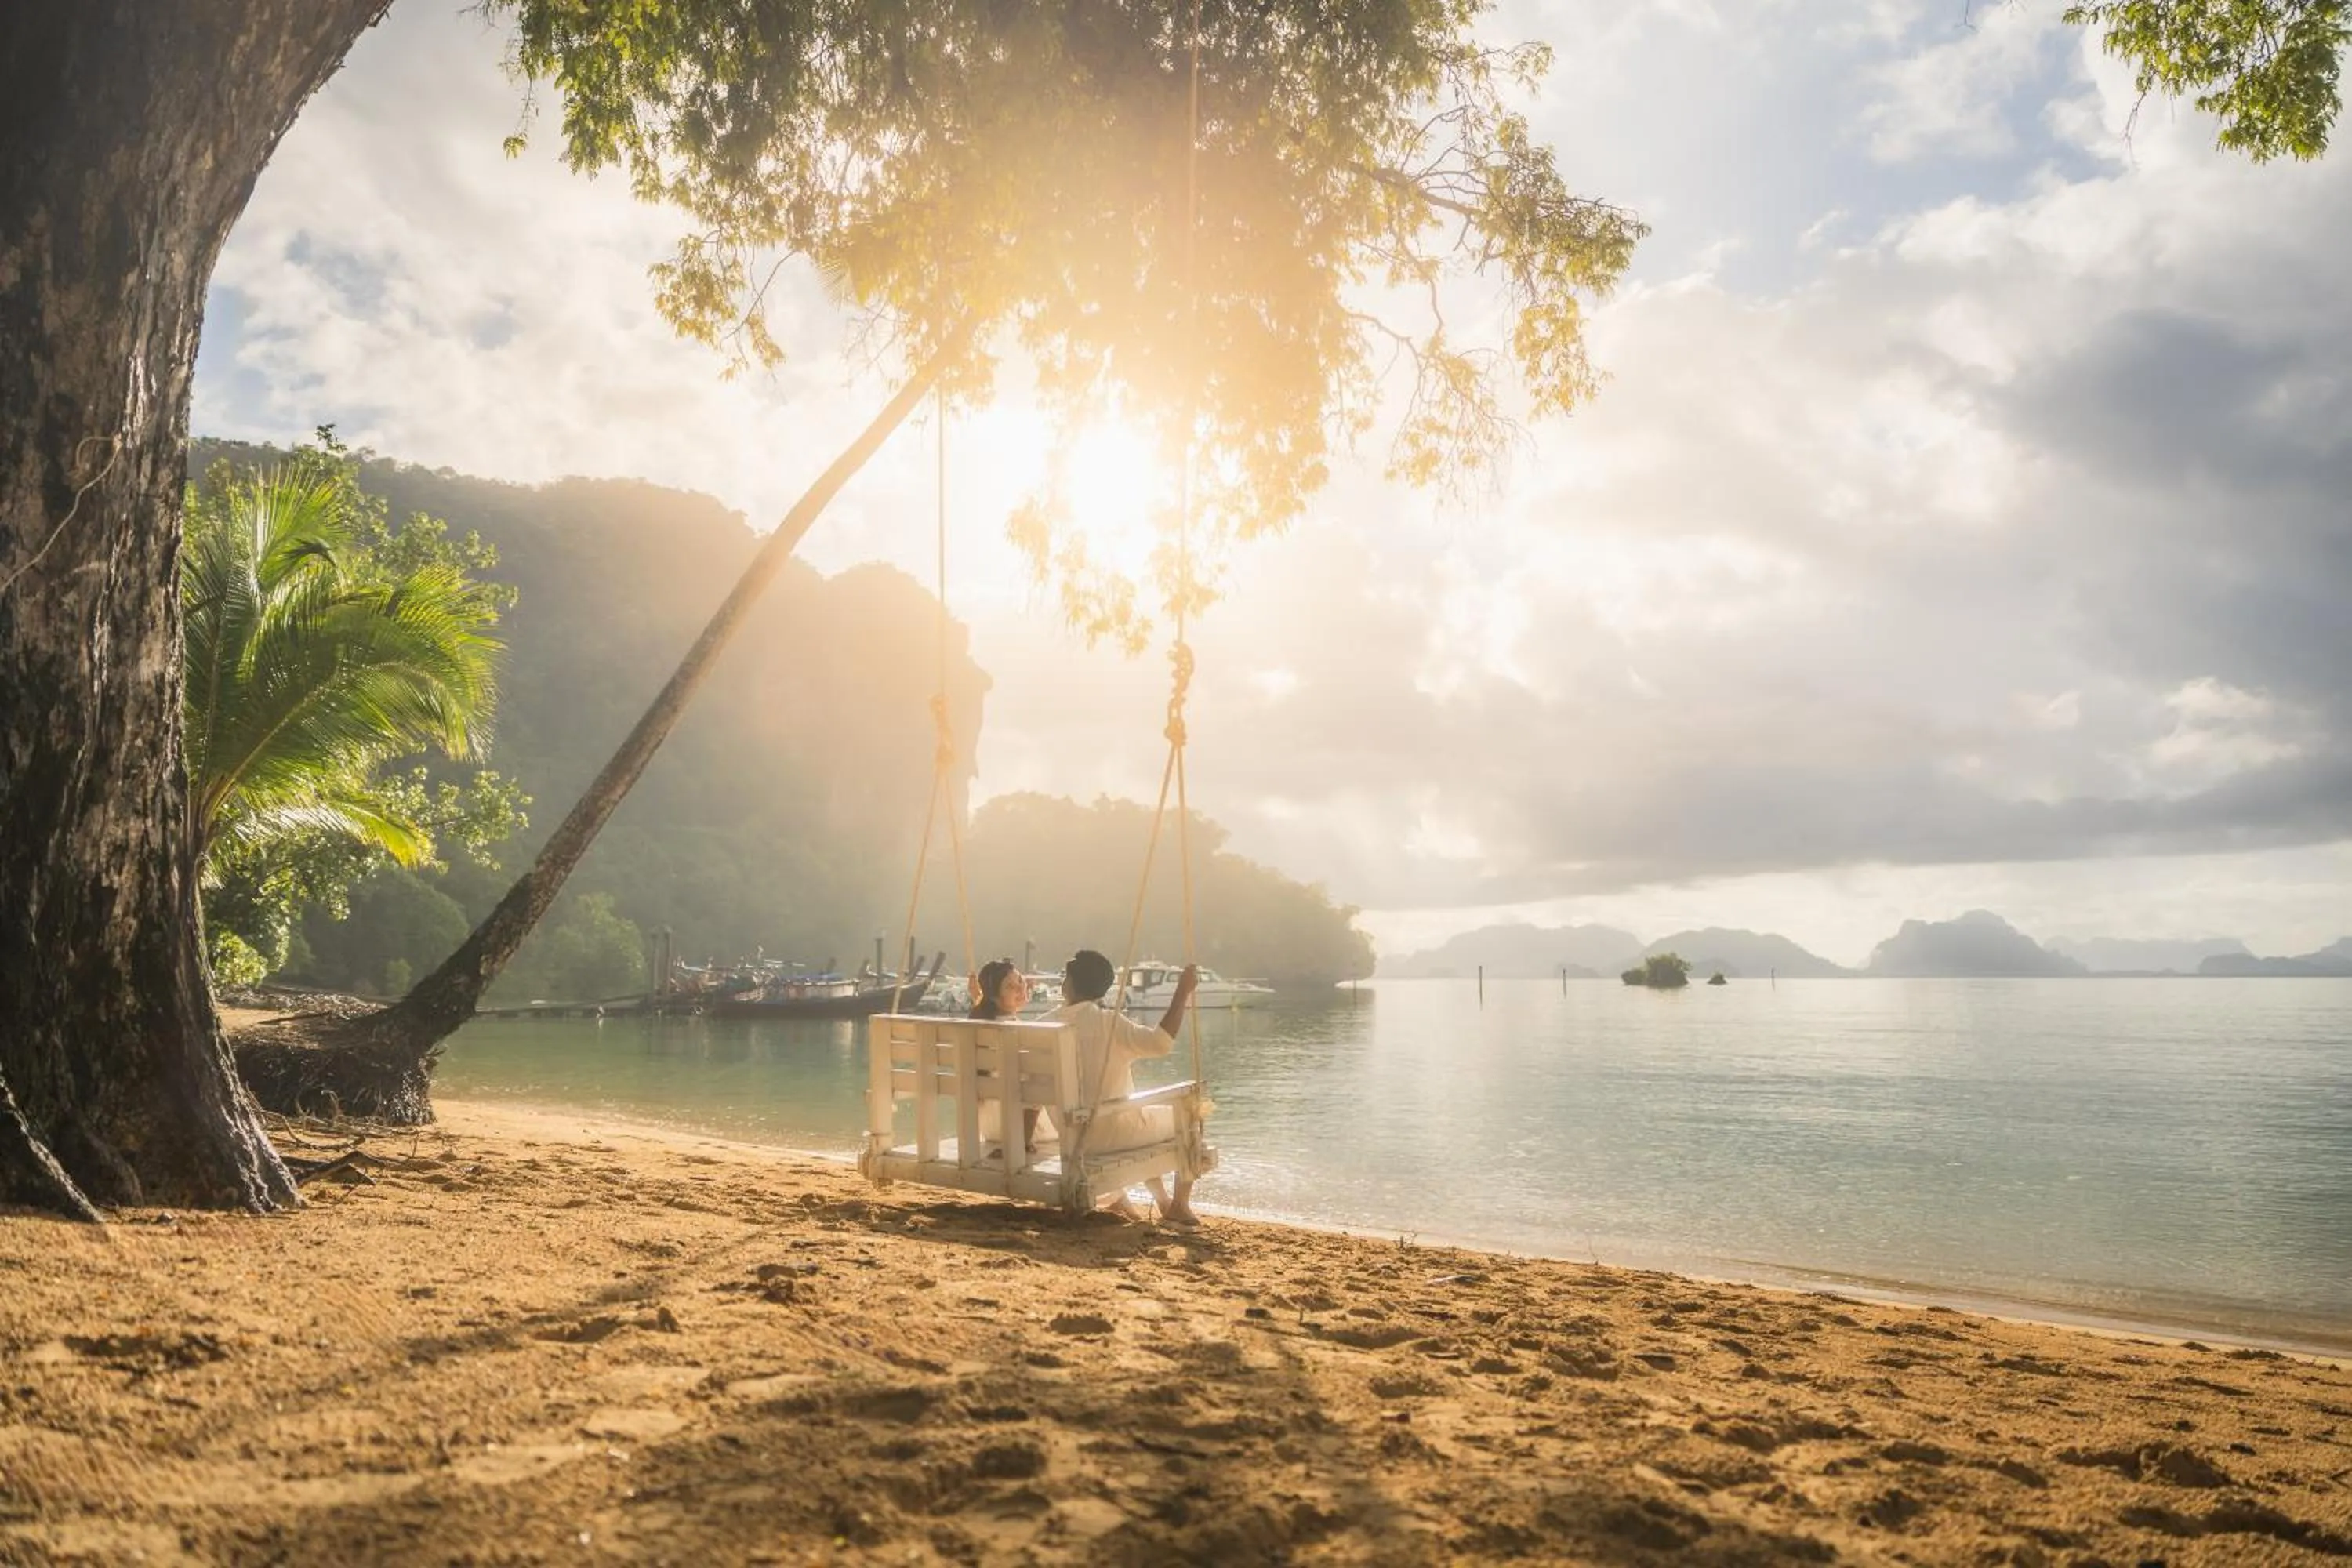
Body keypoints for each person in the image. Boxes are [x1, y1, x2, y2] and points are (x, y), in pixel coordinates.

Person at [1046, 949, 1201, 1225]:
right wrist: (1183, 992)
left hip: (1068, 1133)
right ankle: (1178, 1204)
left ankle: (1163, 1201)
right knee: (1191, 1113)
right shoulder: (1108, 1023)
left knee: (1145, 1119)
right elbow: (1161, 1042)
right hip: (1110, 1133)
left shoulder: (1044, 1024)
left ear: (1067, 985)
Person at [968, 959, 1040, 1156]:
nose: (1020, 988)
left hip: (992, 1127)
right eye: (1010, 986)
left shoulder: (978, 1025)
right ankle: (1024, 1142)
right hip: (1021, 1130)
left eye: (1020, 980)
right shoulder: (1019, 1032)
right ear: (994, 997)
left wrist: (978, 998)